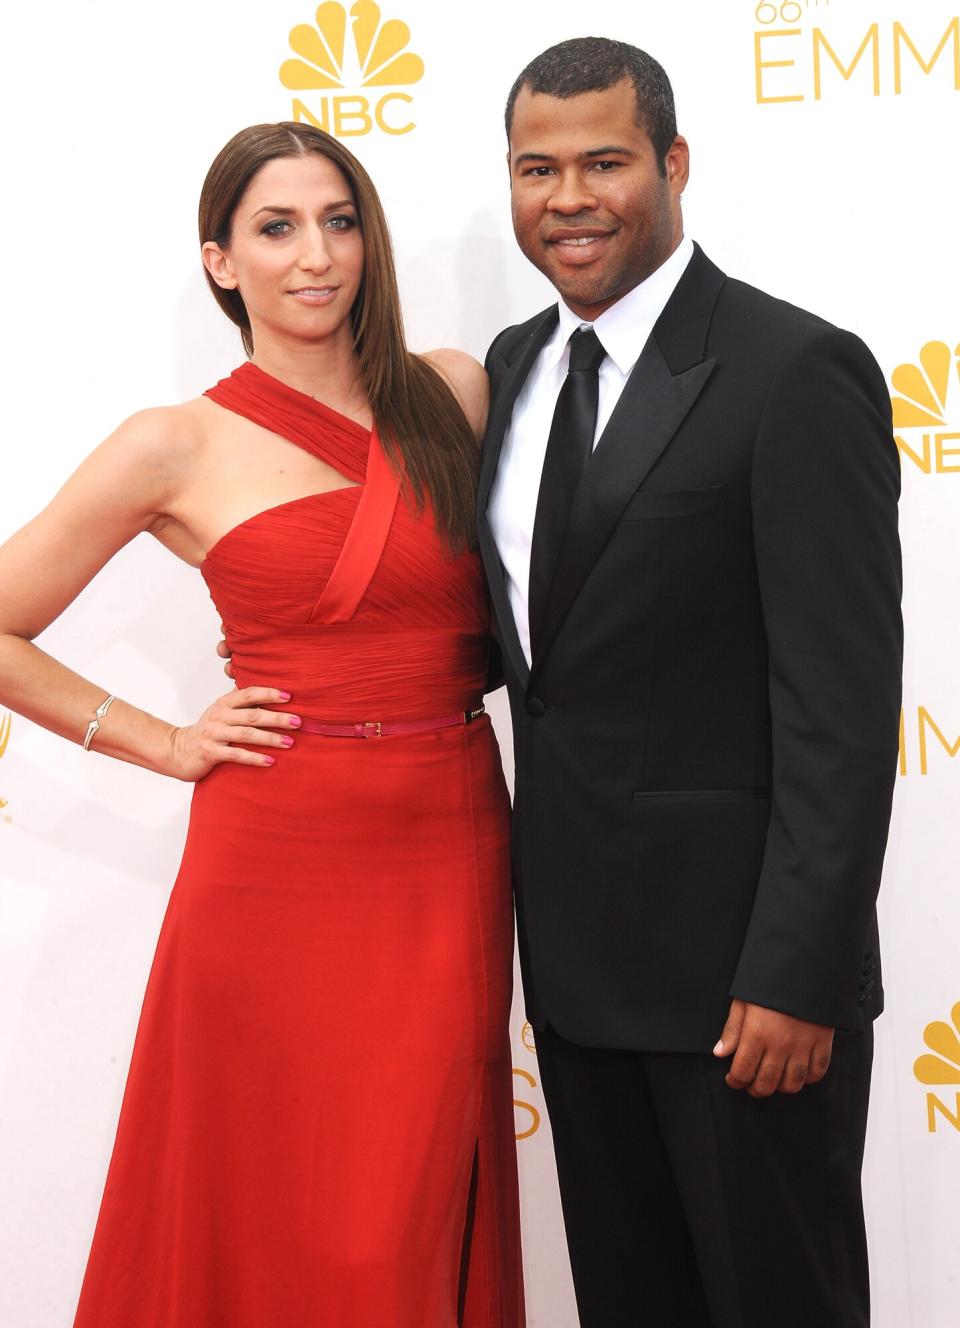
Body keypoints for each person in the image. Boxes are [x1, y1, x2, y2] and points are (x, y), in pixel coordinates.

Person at [0, 122, 524, 1328]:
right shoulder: (170, 442)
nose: (316, 255)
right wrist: (160, 738)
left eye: (339, 220)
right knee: (265, 1174)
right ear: (220, 260)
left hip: (446, 836)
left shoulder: (454, 389)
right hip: (272, 852)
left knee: (404, 1195)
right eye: (277, 228)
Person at [478, 37, 902, 1328]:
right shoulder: (509, 368)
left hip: (741, 987)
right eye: (536, 169)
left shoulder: (794, 370)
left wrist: (796, 971)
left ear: (672, 164)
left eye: (604, 162)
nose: (569, 198)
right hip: (578, 967)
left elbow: (839, 706)